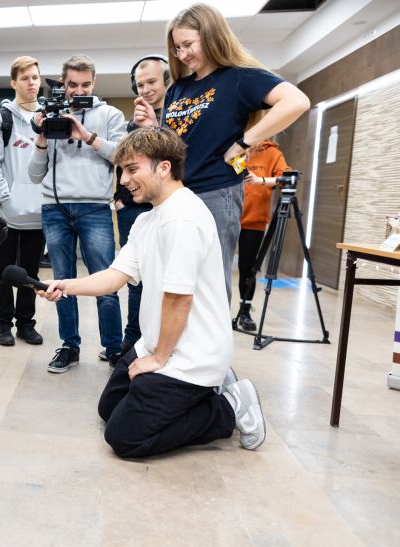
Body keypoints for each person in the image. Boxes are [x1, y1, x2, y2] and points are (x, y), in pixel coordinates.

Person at [38, 127, 266, 457]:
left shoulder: (183, 218)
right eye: (121, 171)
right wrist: (64, 286)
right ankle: (195, 395)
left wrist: (158, 359)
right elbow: (115, 277)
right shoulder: (149, 221)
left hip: (190, 357)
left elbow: (179, 298)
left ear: (164, 167)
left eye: (132, 169)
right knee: (109, 410)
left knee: (125, 438)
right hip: (157, 343)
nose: (125, 180)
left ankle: (226, 409)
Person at [134, 3, 310, 303]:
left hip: (216, 192)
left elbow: (297, 101)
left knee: (209, 285)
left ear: (212, 35)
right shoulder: (179, 88)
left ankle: (209, 350)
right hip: (176, 194)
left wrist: (244, 143)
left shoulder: (239, 77)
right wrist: (154, 127)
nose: (183, 54)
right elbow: (176, 141)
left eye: (188, 44)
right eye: (177, 48)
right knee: (174, 280)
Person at [28, 54, 126, 373]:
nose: (78, 90)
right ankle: (69, 346)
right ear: (63, 83)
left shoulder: (110, 114)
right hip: (54, 208)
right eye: (72, 84)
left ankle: (113, 348)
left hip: (95, 208)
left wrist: (87, 136)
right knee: (62, 282)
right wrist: (42, 137)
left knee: (105, 281)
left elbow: (122, 156)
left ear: (94, 83)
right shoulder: (51, 113)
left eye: (85, 84)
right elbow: (33, 173)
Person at [0, 55, 46, 347]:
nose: (31, 82)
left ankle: (26, 324)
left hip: (38, 212)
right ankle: (3, 325)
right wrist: (6, 201)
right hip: (5, 213)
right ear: (13, 83)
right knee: (4, 271)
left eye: (35, 76)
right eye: (25, 78)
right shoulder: (1, 120)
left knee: (30, 273)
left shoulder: (48, 118)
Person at [111, 55, 170, 356]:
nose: (145, 89)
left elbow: (179, 157)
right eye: (140, 84)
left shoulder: (178, 117)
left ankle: (163, 342)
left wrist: (157, 125)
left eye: (152, 82)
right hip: (134, 209)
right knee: (136, 278)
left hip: (168, 207)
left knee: (167, 277)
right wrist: (121, 200)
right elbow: (122, 166)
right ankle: (131, 342)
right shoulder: (127, 126)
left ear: (167, 82)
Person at [234, 138, 290, 331]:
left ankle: (245, 312)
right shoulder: (233, 146)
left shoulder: (271, 152)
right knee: (215, 266)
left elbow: (287, 178)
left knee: (247, 268)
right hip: (227, 217)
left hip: (254, 220)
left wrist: (262, 180)